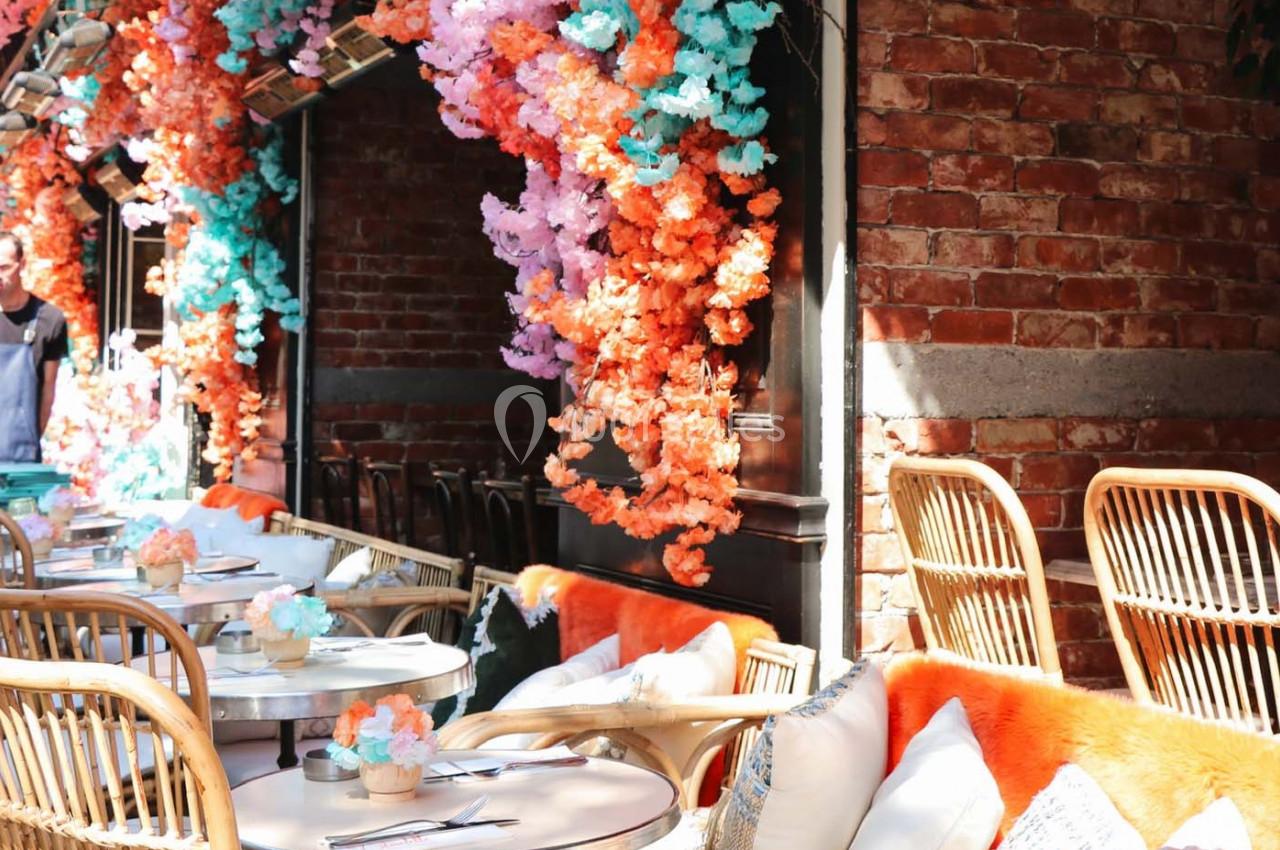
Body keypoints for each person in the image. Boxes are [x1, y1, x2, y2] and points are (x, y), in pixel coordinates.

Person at [0, 232, 67, 462]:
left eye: (4, 268)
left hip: (21, 459)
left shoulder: (49, 319)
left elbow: (49, 388)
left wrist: (31, 441)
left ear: (22, 264)